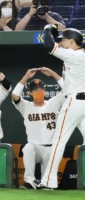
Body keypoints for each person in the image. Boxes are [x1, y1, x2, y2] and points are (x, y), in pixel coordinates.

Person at [34, 25, 85, 189]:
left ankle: (48, 181)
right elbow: (70, 84)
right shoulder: (80, 56)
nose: (61, 43)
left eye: (64, 40)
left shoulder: (75, 55)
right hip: (81, 101)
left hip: (75, 102)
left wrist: (48, 29)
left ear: (72, 41)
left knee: (58, 141)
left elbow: (50, 46)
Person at [11, 67, 65, 189]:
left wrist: (52, 73)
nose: (39, 91)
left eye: (41, 89)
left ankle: (44, 183)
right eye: (35, 90)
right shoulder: (25, 106)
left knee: (47, 187)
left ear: (45, 91)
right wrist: (25, 77)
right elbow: (14, 95)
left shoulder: (54, 102)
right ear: (30, 93)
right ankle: (30, 181)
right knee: (28, 148)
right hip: (34, 148)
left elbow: (67, 89)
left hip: (51, 148)